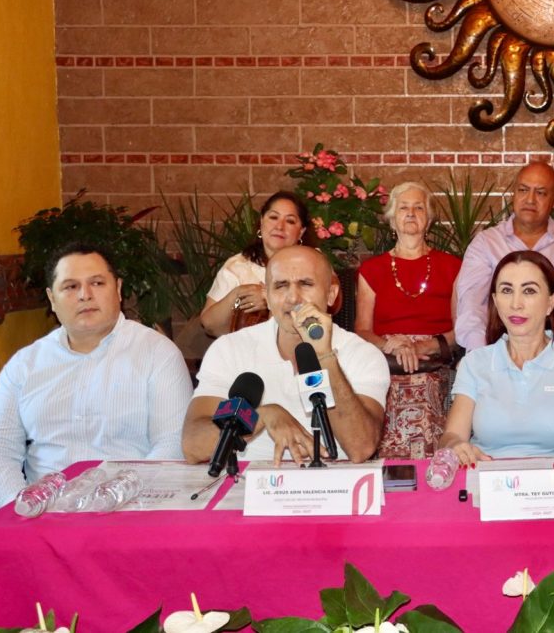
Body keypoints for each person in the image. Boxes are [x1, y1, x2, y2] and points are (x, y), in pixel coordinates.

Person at [0, 242, 192, 508]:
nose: (85, 295)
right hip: (43, 515)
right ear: (52, 299)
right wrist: (19, 508)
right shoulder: (24, 365)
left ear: (118, 289)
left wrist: (118, 503)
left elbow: (172, 444)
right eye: (70, 286)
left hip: (131, 510)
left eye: (97, 283)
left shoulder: (158, 354)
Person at [182, 246, 389, 465]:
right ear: (267, 296)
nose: (292, 298)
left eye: (306, 284)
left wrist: (325, 356)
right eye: (281, 286)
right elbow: (193, 445)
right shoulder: (229, 349)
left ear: (331, 294)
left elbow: (361, 448)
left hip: (333, 481)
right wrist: (260, 417)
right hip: (248, 481)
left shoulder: (363, 354)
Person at [439, 251, 554, 467]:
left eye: (529, 291)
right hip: (486, 478)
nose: (516, 304)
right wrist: (455, 446)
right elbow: (452, 435)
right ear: (495, 301)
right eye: (507, 290)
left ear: (551, 302)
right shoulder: (474, 362)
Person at [454, 161, 554, 364]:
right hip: (503, 337)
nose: (530, 199)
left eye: (540, 193)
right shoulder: (486, 243)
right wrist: (478, 351)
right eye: (523, 190)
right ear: (513, 194)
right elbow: (472, 302)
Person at [355, 182, 462, 458]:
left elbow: (461, 330)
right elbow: (362, 331)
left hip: (433, 360)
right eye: (403, 208)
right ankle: (387, 464)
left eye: (419, 207)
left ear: (429, 219)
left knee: (424, 384)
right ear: (392, 219)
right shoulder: (371, 269)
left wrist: (426, 345)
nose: (411, 213)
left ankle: (430, 463)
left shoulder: (452, 267)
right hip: (385, 359)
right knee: (383, 385)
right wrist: (391, 345)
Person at [200, 190, 310, 337]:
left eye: (290, 221)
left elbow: (326, 306)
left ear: (301, 231)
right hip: (246, 347)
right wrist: (237, 295)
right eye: (273, 217)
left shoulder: (313, 264)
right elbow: (209, 325)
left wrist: (269, 299)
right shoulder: (237, 266)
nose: (280, 226)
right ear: (262, 222)